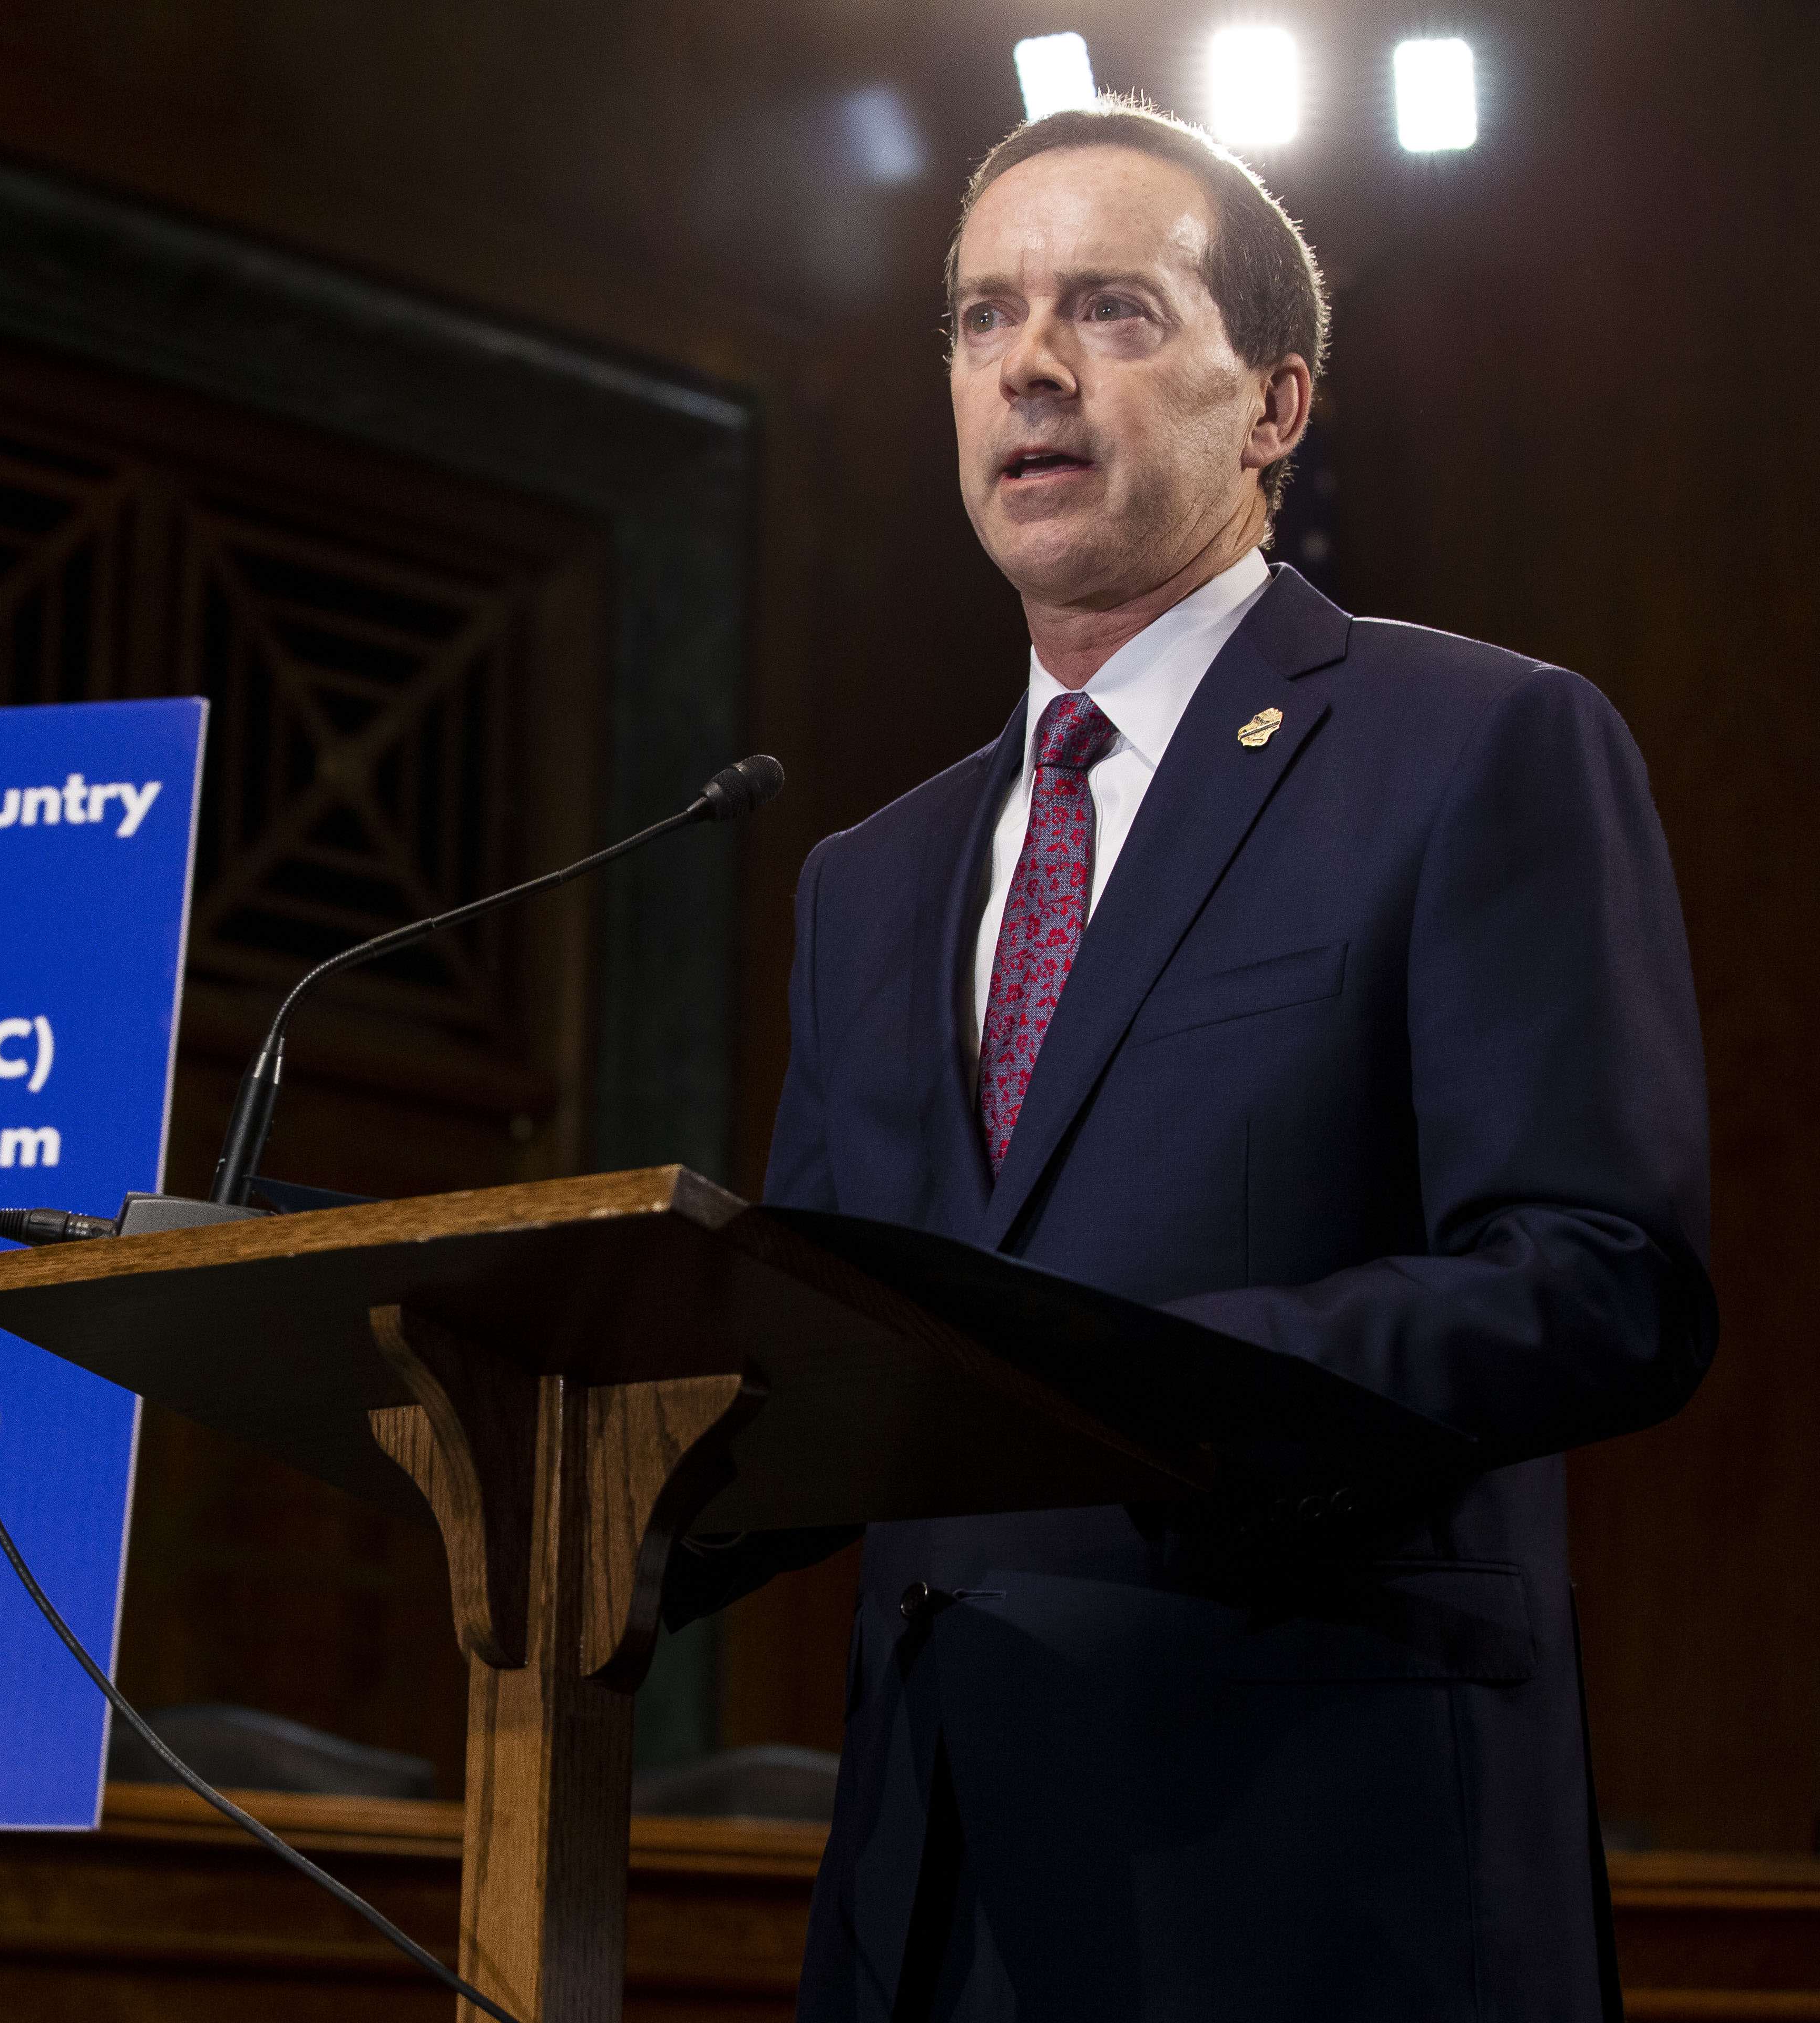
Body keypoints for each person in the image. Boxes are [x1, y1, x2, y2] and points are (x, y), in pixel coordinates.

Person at [677, 99, 1715, 2020]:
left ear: (1276, 405)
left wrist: (1141, 1389)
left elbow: (1602, 1278)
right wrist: (558, 1475)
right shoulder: (869, 878)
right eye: (984, 321)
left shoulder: (1476, 745)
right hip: (936, 1901)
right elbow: (825, 1361)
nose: (1033, 367)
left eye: (1115, 312)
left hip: (1316, 1873)